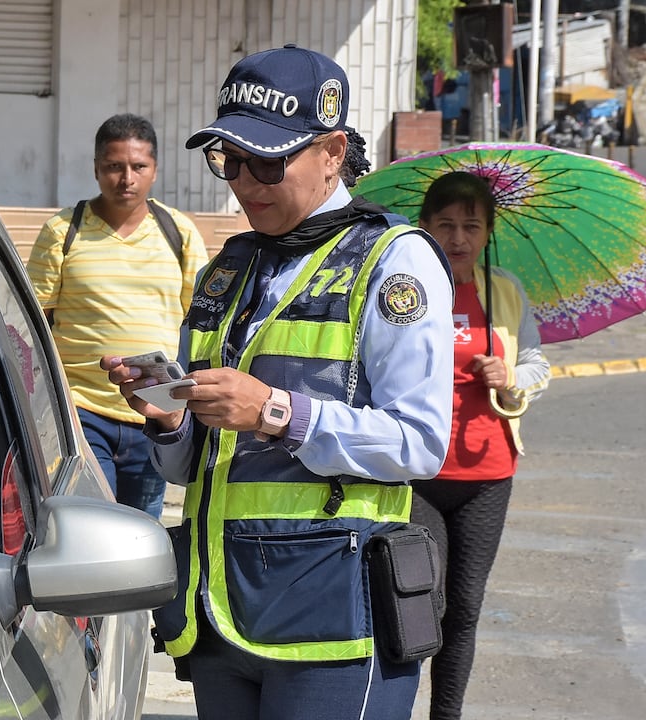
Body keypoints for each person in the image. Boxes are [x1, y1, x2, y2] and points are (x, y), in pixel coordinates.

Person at [103, 45, 455, 718]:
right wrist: (168, 415)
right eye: (229, 160)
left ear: (332, 150)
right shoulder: (228, 272)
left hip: (333, 623)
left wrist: (276, 412)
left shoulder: (393, 262)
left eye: (268, 160)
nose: (245, 182)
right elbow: (191, 467)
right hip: (224, 614)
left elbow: (419, 443)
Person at [410, 170, 551, 720]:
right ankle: (390, 704)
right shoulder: (408, 290)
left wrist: (510, 374)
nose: (459, 238)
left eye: (471, 226)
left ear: (488, 232)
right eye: (445, 225)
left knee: (464, 608)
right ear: (424, 228)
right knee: (420, 602)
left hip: (488, 474)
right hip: (419, 471)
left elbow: (538, 364)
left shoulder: (505, 291)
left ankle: (447, 715)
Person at [26, 112, 208, 519]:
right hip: (81, 412)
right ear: (96, 169)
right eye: (114, 166)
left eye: (138, 166)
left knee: (144, 534)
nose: (126, 178)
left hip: (155, 412)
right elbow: (34, 325)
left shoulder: (179, 233)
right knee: (93, 530)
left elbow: (199, 321)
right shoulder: (62, 232)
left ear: (155, 170)